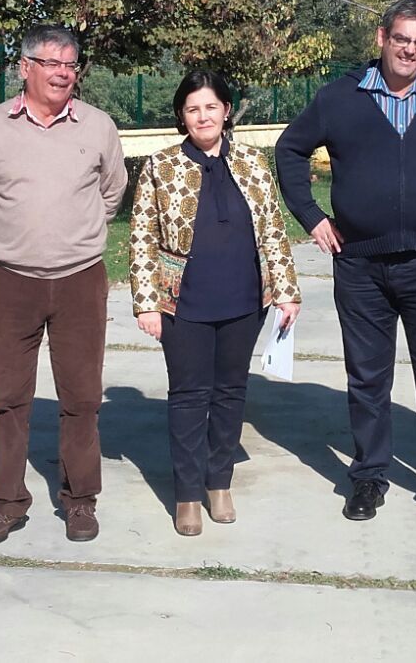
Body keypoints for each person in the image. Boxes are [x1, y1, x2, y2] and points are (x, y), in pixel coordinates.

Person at [274, 0, 416, 527]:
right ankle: (369, 476)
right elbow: (290, 150)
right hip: (360, 266)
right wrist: (311, 216)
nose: (409, 48)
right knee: (368, 378)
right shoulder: (339, 98)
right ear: (381, 37)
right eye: (400, 38)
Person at [0, 24, 126, 545]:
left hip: (80, 281)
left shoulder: (98, 126)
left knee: (82, 397)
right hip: (11, 283)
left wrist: (73, 237)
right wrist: (9, 241)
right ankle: (7, 503)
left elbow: (112, 191)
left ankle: (80, 500)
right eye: (52, 63)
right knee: (8, 399)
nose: (63, 73)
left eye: (71, 64)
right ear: (24, 67)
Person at [129, 71, 302, 536]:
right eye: (192, 109)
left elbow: (272, 229)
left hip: (244, 299)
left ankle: (219, 481)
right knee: (189, 397)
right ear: (181, 117)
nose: (202, 116)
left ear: (226, 110)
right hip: (182, 303)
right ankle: (187, 492)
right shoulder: (160, 166)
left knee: (230, 393)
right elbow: (142, 237)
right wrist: (146, 302)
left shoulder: (251, 162)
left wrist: (286, 290)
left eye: (210, 107)